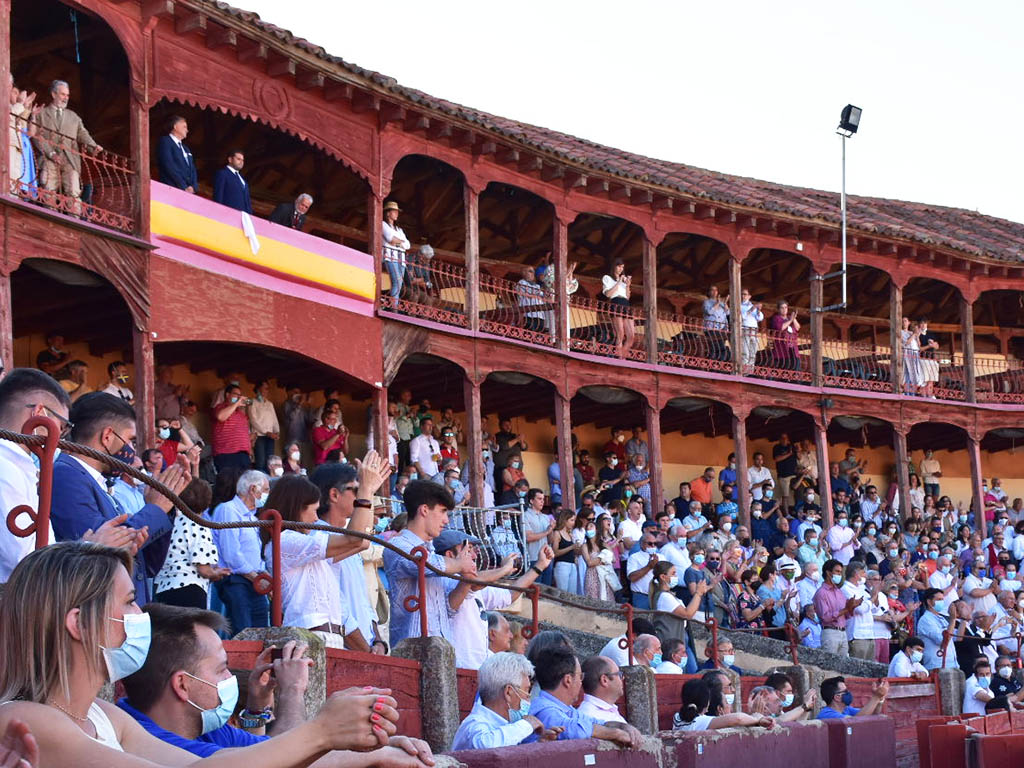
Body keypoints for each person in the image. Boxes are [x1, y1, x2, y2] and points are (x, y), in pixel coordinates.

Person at [0, 541, 406, 766]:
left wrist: (373, 754)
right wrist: (322, 730)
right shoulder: (27, 717)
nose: (139, 615)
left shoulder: (104, 715)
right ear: (80, 624)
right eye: (128, 603)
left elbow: (202, 765)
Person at [50, 392, 190, 604]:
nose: (133, 452)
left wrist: (164, 507)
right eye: (131, 441)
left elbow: (148, 565)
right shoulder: (65, 474)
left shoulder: (98, 480)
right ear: (107, 436)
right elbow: (102, 548)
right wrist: (156, 509)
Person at [118, 604, 312, 753]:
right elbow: (293, 755)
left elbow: (268, 752)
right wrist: (293, 689)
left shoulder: (202, 726)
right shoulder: (159, 747)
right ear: (182, 685)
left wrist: (256, 706)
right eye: (222, 669)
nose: (230, 677)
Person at [312, 453, 394, 652]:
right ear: (334, 495)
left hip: (366, 646)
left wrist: (378, 641)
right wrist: (365, 651)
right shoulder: (317, 536)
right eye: (355, 490)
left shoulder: (348, 536)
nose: (362, 496)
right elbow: (340, 609)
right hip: (345, 649)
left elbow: (362, 601)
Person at [384, 480, 477, 645]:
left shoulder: (434, 553)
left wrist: (465, 580)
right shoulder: (398, 545)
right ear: (424, 510)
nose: (446, 520)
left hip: (441, 646)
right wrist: (461, 564)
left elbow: (447, 608)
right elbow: (424, 563)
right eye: (442, 511)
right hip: (412, 648)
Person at [526, 647, 641, 746]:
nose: (581, 682)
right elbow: (571, 729)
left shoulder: (566, 709)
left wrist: (622, 726)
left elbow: (595, 722)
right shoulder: (545, 711)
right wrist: (615, 733)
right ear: (568, 680)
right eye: (580, 676)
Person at [452, 652, 561, 749]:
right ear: (509, 692)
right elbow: (486, 746)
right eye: (527, 690)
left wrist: (538, 744)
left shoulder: (506, 727)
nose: (529, 697)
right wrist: (527, 724)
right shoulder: (474, 725)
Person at [154, 479, 230, 609]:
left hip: (163, 590)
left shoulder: (170, 522)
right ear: (207, 503)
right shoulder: (200, 525)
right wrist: (216, 573)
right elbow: (203, 570)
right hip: (190, 591)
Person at [211, 469, 271, 632]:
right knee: (243, 631)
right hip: (236, 580)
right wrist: (255, 577)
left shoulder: (253, 517)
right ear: (253, 489)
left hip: (255, 580)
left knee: (261, 632)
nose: (267, 494)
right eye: (265, 490)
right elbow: (231, 554)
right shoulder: (228, 510)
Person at [32, 79, 102, 215]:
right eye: (63, 94)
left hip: (70, 159)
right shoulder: (41, 114)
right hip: (48, 157)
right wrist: (51, 153)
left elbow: (82, 134)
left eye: (67, 95)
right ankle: (50, 216)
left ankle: (74, 219)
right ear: (53, 94)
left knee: (73, 191)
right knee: (48, 187)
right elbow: (36, 136)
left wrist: (93, 147)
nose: (66, 98)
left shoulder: (73, 117)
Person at [672, 679, 774, 732]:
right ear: (707, 702)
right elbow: (737, 718)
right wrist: (757, 718)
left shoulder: (677, 717)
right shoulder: (699, 721)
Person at [813, 559, 862, 657]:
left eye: (840, 572)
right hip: (830, 633)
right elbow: (825, 617)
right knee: (829, 665)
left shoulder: (839, 592)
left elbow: (846, 615)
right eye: (837, 572)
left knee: (843, 667)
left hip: (843, 632)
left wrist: (852, 606)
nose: (839, 575)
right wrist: (846, 609)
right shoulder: (821, 593)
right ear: (828, 573)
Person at [211, 384, 253, 472]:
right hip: (226, 453)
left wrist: (249, 449)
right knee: (228, 483)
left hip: (243, 454)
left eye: (240, 395)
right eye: (236, 394)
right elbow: (221, 417)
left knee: (244, 483)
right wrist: (237, 403)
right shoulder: (220, 407)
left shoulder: (241, 414)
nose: (239, 397)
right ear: (227, 395)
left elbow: (245, 431)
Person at [601, 257, 635, 359]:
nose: (621, 269)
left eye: (622, 267)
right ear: (614, 266)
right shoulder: (607, 278)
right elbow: (608, 294)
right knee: (620, 333)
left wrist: (628, 285)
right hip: (615, 302)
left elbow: (628, 297)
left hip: (625, 303)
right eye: (619, 266)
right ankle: (619, 357)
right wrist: (619, 282)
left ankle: (622, 356)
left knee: (631, 336)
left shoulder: (624, 281)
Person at [577, 656, 626, 724]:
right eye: (619, 674)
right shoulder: (591, 716)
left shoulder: (604, 710)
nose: (623, 678)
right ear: (604, 680)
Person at [156, 116, 197, 192]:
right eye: (184, 127)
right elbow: (168, 165)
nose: (187, 130)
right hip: (171, 188)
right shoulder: (165, 141)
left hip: (188, 191)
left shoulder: (186, 148)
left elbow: (193, 169)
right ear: (175, 127)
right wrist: (183, 186)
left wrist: (193, 187)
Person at [817, 676, 889, 719]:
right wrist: (876, 697)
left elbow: (872, 714)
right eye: (846, 691)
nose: (849, 692)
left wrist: (880, 698)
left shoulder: (846, 709)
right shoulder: (827, 714)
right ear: (837, 697)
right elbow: (856, 722)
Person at [247, 380, 279, 474]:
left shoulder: (270, 404)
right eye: (265, 388)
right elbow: (253, 420)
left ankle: (268, 483)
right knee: (260, 461)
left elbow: (274, 419)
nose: (267, 390)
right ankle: (260, 482)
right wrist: (266, 432)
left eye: (267, 388)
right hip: (259, 436)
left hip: (270, 436)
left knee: (270, 462)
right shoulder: (252, 402)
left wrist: (276, 431)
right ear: (258, 389)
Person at [382, 201, 410, 300]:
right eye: (394, 211)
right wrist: (400, 244)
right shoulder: (383, 225)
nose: (397, 214)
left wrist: (397, 243)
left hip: (401, 260)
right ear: (388, 213)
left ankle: (394, 305)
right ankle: (394, 307)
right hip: (390, 256)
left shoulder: (399, 229)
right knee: (396, 283)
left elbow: (408, 245)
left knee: (399, 285)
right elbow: (390, 239)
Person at [212, 149, 252, 213]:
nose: (241, 162)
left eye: (243, 160)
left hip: (243, 217)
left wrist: (249, 215)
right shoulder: (223, 173)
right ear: (230, 159)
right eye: (238, 159)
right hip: (227, 214)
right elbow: (218, 195)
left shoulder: (242, 180)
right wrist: (218, 211)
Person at [768, 299, 800, 371]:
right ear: (778, 309)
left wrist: (794, 318)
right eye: (782, 308)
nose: (784, 309)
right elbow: (780, 327)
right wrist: (790, 320)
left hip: (793, 348)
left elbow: (797, 328)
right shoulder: (776, 318)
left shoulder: (790, 318)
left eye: (786, 307)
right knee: (785, 369)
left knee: (796, 369)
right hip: (782, 348)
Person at [702, 285, 730, 363]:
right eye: (712, 290)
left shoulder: (721, 303)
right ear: (709, 292)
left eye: (716, 290)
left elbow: (728, 313)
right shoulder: (706, 302)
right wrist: (717, 303)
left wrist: (725, 303)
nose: (715, 292)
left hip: (721, 328)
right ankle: (712, 363)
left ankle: (720, 363)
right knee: (714, 347)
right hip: (711, 328)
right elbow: (709, 312)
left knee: (721, 347)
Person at [739, 288, 764, 371]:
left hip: (754, 331)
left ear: (749, 296)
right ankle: (743, 371)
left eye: (745, 294)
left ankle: (750, 371)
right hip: (745, 329)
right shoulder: (739, 306)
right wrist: (751, 310)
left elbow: (760, 318)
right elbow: (741, 317)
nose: (743, 296)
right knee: (745, 352)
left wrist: (758, 310)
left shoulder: (752, 305)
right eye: (742, 294)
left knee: (753, 352)